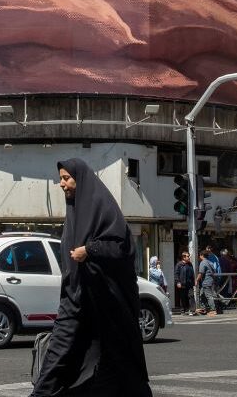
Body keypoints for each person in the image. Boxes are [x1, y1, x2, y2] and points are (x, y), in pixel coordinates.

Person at [31, 158, 150, 397]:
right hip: (77, 298)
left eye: (66, 178)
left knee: (115, 355)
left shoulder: (100, 206)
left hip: (104, 301)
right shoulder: (75, 211)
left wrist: (90, 250)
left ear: (80, 179)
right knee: (64, 349)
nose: (61, 184)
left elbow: (122, 248)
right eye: (61, 179)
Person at [195, 246, 220, 316]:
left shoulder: (203, 262)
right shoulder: (210, 262)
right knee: (202, 294)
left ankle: (213, 310)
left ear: (202, 255)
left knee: (209, 296)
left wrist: (196, 280)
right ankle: (203, 308)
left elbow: (201, 273)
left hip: (206, 281)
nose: (199, 256)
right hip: (211, 281)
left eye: (200, 255)